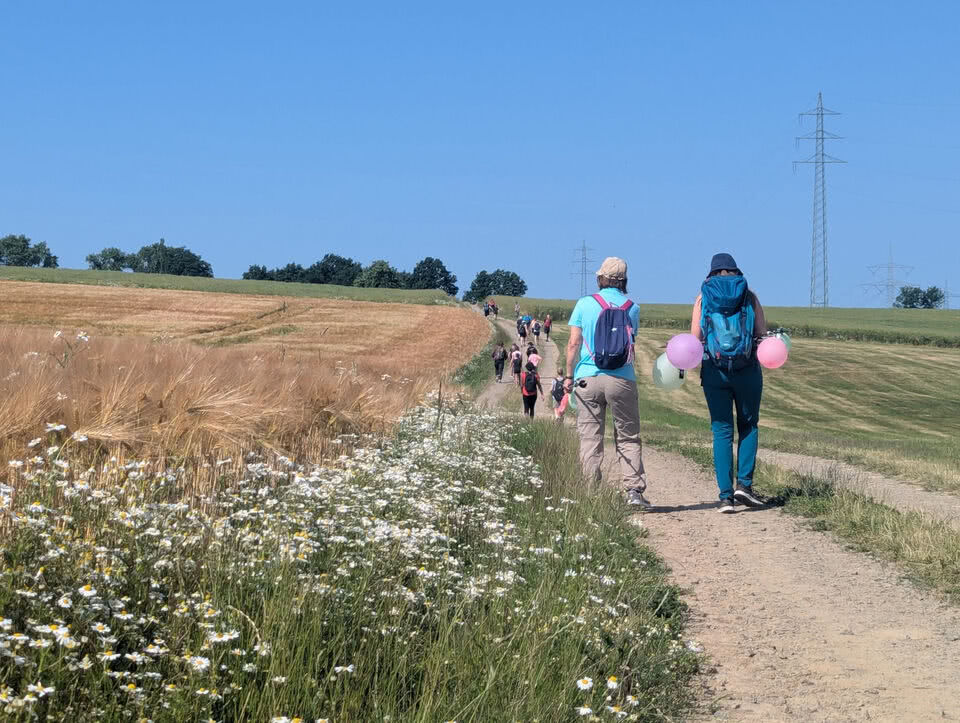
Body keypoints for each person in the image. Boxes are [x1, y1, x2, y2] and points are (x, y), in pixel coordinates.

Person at [563, 257, 649, 508]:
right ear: (623, 280)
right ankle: (633, 491)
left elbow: (573, 344)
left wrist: (569, 376)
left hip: (587, 379)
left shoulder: (584, 304)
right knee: (628, 436)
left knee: (590, 437)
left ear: (600, 278)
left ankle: (590, 491)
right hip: (621, 378)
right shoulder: (633, 307)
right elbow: (631, 341)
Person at [691, 252, 769, 514]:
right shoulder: (749, 296)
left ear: (711, 273)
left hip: (715, 371)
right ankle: (744, 486)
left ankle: (725, 497)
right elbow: (761, 334)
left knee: (721, 430)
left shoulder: (703, 297)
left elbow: (695, 337)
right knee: (748, 424)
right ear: (736, 271)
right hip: (747, 369)